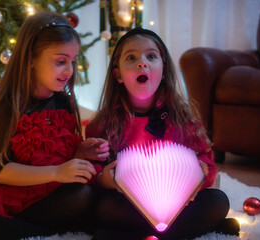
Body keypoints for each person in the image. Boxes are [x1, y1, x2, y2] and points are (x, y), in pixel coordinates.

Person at [0, 11, 109, 240]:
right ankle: (42, 232)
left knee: (83, 194)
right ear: (31, 58)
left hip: (48, 193)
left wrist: (80, 151)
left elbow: (59, 156)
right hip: (10, 189)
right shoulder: (9, 106)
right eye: (60, 61)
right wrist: (56, 171)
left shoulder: (64, 102)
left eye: (73, 62)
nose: (69, 71)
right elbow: (1, 171)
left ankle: (15, 230)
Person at [85, 27, 240, 240]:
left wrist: (200, 176)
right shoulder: (103, 124)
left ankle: (128, 237)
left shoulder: (182, 118)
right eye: (131, 57)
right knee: (104, 209)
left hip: (178, 206)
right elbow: (92, 169)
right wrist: (104, 180)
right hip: (128, 205)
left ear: (164, 69)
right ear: (117, 74)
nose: (142, 62)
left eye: (151, 56)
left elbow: (208, 163)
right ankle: (198, 230)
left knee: (218, 201)